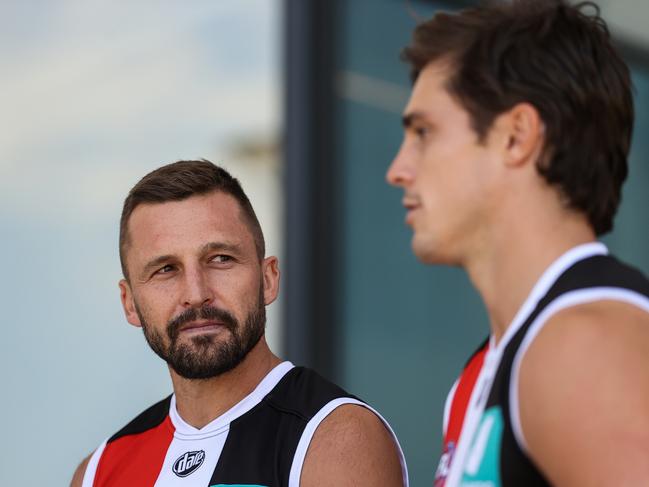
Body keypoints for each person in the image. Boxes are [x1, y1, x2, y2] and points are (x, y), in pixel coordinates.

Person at [387, 0, 649, 486]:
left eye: (424, 132)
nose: (397, 169)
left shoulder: (586, 345)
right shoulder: (488, 367)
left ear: (516, 137)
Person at [71, 160, 408, 487]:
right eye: (166, 269)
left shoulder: (332, 437)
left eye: (220, 259)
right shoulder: (98, 472)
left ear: (268, 279)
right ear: (129, 302)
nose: (196, 293)